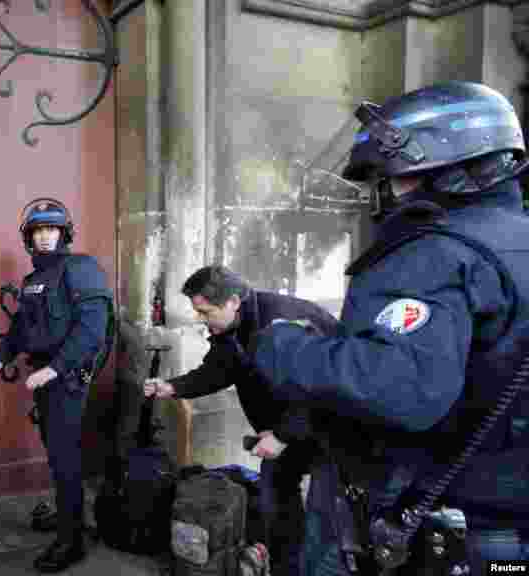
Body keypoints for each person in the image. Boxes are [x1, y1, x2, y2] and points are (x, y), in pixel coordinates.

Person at [250, 81, 529, 575]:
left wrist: (285, 346)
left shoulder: (433, 251)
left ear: (441, 166)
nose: (384, 192)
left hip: (416, 521)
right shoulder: (513, 243)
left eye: (392, 176)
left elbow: (398, 386)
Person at [142, 265, 337, 576]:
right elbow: (219, 369)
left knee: (325, 517)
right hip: (282, 429)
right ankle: (287, 567)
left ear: (233, 301)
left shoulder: (282, 324)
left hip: (329, 428)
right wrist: (173, 387)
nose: (201, 321)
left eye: (206, 312)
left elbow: (322, 390)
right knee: (276, 498)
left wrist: (284, 435)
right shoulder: (231, 328)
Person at [0, 198, 112, 573]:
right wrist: (0, 357)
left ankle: (71, 542)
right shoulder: (33, 281)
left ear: (64, 233)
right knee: (58, 455)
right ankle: (69, 516)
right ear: (29, 237)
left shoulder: (81, 268)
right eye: (38, 230)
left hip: (66, 379)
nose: (45, 237)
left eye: (52, 229)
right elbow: (22, 328)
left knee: (65, 458)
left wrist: (54, 369)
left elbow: (92, 332)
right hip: (45, 379)